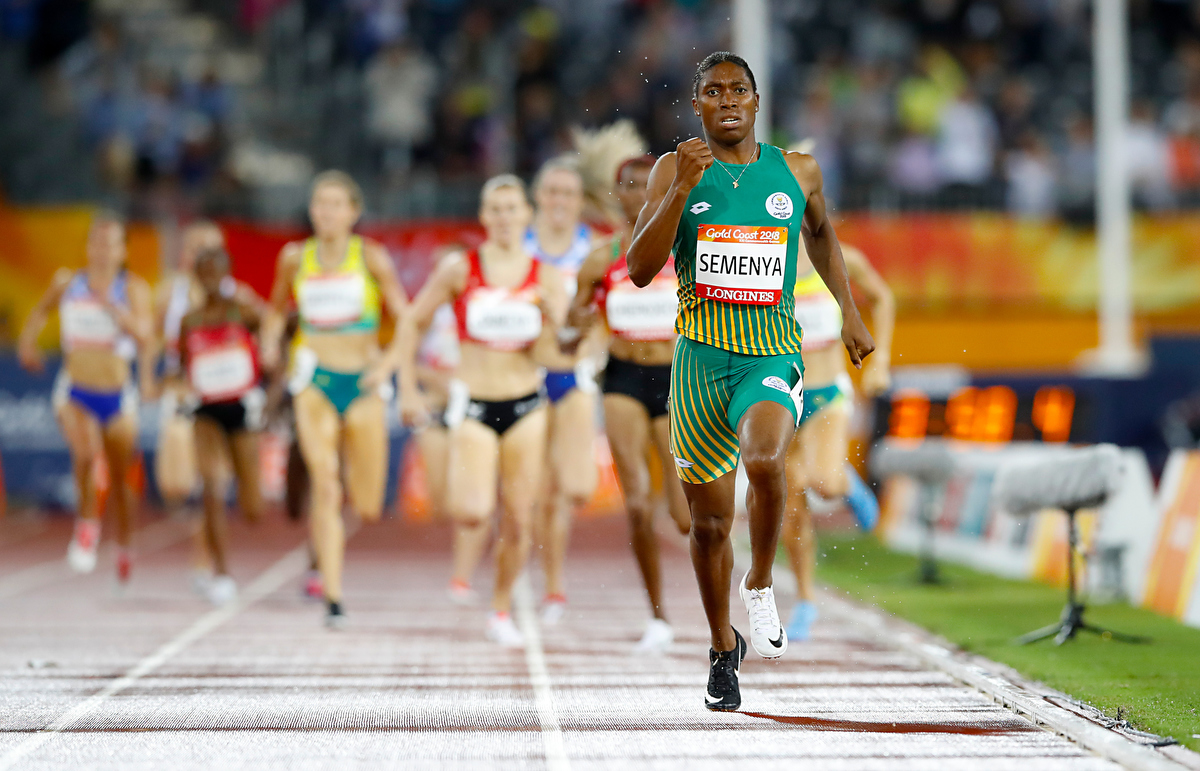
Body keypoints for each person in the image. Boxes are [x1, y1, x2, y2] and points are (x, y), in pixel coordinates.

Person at [626, 52, 875, 711]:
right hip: (700, 363)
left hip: (770, 350)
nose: (727, 99)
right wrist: (680, 187)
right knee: (707, 526)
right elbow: (639, 269)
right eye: (713, 91)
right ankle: (720, 648)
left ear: (757, 102)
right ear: (699, 106)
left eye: (739, 89)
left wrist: (849, 311)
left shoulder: (796, 170)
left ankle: (761, 583)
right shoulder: (672, 170)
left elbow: (821, 236)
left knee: (766, 461)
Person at [398, 174, 568, 647]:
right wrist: (408, 388)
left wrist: (557, 328)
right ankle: (474, 561)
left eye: (513, 209)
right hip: (473, 403)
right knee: (471, 511)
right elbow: (413, 322)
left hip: (526, 406)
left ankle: (499, 609)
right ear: (483, 217)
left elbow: (561, 354)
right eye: (496, 209)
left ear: (526, 216)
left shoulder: (546, 277)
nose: (505, 218)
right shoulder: (459, 269)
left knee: (518, 519)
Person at [261, 170, 409, 629]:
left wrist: (387, 368)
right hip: (315, 381)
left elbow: (407, 320)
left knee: (365, 502)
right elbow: (273, 310)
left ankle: (333, 567)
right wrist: (269, 344)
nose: (325, 212)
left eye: (335, 204)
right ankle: (333, 596)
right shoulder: (294, 257)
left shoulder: (371, 257)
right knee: (325, 484)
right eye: (318, 204)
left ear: (353, 212)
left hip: (363, 384)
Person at [565, 154, 691, 652]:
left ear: (659, 192)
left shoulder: (684, 249)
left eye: (646, 185)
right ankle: (658, 617)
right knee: (637, 502)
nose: (639, 194)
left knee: (685, 516)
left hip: (676, 377)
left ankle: (717, 593)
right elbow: (575, 320)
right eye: (629, 186)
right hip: (622, 377)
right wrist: (576, 321)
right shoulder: (601, 259)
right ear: (618, 195)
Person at [17, 211, 154, 582]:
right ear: (87, 248)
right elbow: (40, 311)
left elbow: (145, 336)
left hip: (116, 395)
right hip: (75, 389)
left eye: (111, 244)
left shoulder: (133, 288)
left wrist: (115, 309)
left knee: (123, 480)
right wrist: (27, 342)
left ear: (123, 251)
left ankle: (123, 543)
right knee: (84, 452)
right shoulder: (68, 282)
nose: (102, 251)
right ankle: (88, 525)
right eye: (96, 243)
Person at [782, 240, 893, 641]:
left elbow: (881, 297)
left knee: (823, 484)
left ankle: (845, 481)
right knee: (790, 507)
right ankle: (806, 600)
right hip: (778, 398)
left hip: (826, 394)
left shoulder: (836, 255)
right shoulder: (759, 253)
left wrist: (880, 361)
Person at [524, 157, 602, 624]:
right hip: (524, 374)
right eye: (551, 191)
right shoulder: (518, 246)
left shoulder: (592, 249)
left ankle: (553, 587)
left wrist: (597, 356)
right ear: (538, 196)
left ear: (579, 202)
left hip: (575, 376)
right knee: (528, 486)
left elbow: (608, 309)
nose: (558, 201)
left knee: (566, 489)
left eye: (567, 194)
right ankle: (525, 571)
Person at [176, 247, 267, 605]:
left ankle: (225, 564)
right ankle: (222, 573)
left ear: (227, 274)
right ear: (196, 277)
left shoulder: (242, 312)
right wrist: (179, 388)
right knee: (211, 490)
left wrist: (274, 391)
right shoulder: (190, 320)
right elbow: (181, 366)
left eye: (217, 272)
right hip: (206, 411)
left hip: (241, 410)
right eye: (204, 273)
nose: (211, 279)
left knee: (254, 509)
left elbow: (277, 334)